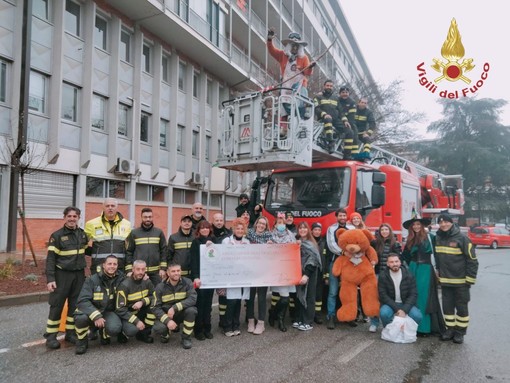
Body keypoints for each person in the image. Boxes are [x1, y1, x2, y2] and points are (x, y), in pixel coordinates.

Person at [44, 206, 88, 349]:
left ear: (78, 218)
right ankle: (51, 337)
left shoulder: (82, 235)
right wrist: (50, 278)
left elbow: (88, 250)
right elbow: (50, 259)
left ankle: (70, 333)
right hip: (62, 274)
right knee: (57, 305)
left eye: (75, 216)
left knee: (74, 306)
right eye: (69, 216)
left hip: (78, 274)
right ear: (64, 217)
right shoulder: (56, 236)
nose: (72, 219)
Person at [433, 212, 478, 344]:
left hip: (461, 282)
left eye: (446, 222)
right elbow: (438, 257)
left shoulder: (462, 238)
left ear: (451, 222)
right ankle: (449, 330)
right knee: (447, 309)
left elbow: (472, 260)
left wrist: (469, 280)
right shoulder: (438, 238)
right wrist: (438, 270)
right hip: (446, 282)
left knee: (461, 308)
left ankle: (460, 333)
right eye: (440, 222)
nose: (443, 224)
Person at [402, 215, 444, 337]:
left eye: (418, 224)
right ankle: (412, 326)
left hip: (425, 269)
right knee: (411, 295)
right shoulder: (410, 239)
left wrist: (439, 269)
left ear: (422, 225)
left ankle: (424, 328)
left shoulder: (431, 237)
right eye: (414, 225)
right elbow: (405, 256)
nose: (416, 226)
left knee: (423, 297)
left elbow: (437, 254)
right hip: (413, 268)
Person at [74, 255, 125, 355]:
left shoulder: (121, 278)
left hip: (107, 311)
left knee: (115, 328)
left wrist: (144, 277)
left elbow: (133, 281)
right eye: (109, 264)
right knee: (81, 318)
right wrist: (96, 316)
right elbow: (82, 301)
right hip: (92, 311)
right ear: (104, 265)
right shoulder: (92, 280)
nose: (112, 266)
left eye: (115, 264)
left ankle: (103, 332)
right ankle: (81, 341)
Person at [153, 263, 198, 349]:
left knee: (192, 311)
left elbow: (193, 299)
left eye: (178, 270)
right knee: (159, 328)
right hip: (167, 314)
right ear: (168, 273)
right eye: (173, 271)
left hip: (180, 312)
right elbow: (155, 307)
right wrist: (167, 321)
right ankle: (165, 333)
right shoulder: (160, 287)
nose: (176, 273)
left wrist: (175, 307)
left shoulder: (187, 282)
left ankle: (186, 337)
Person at [84, 198, 131, 274]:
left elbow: (130, 247)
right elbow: (82, 242)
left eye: (112, 206)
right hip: (99, 266)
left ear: (116, 207)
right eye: (107, 206)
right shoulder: (91, 224)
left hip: (119, 266)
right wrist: (93, 252)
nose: (110, 208)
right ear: (103, 207)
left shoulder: (127, 224)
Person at [221, 218, 251, 336]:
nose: (239, 230)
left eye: (241, 228)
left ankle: (236, 325)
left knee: (238, 301)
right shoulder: (226, 241)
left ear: (244, 230)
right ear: (233, 229)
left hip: (241, 276)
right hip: (230, 275)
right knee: (231, 301)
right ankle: (227, 327)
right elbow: (222, 256)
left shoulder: (247, 242)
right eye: (237, 228)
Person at [370, 223, 403, 332]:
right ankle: (374, 322)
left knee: (390, 297)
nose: (384, 231)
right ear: (379, 232)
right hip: (378, 273)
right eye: (382, 230)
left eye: (386, 229)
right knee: (375, 298)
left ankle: (391, 320)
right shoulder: (375, 243)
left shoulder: (395, 244)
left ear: (390, 231)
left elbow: (399, 259)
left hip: (391, 275)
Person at [268, 213, 297, 332]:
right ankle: (277, 318)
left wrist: (297, 244)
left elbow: (295, 251)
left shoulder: (291, 235)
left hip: (287, 269)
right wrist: (268, 246)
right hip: (276, 270)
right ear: (275, 225)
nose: (281, 225)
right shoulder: (270, 237)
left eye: (283, 223)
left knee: (285, 298)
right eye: (279, 223)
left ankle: (275, 315)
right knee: (282, 296)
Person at [246, 216, 275, 335]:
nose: (261, 225)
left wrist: (271, 246)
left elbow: (274, 254)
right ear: (256, 223)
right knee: (250, 297)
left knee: (262, 297)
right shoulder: (248, 235)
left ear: (266, 226)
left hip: (264, 271)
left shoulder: (270, 237)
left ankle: (261, 323)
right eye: (260, 223)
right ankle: (251, 321)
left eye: (264, 224)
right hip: (250, 270)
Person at [115, 260, 155, 344]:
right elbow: (120, 309)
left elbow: (154, 296)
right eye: (138, 269)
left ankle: (143, 334)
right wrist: (136, 321)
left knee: (153, 308)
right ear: (133, 269)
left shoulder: (147, 281)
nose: (141, 272)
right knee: (131, 330)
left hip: (141, 311)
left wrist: (142, 302)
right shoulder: (124, 285)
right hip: (128, 313)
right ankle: (122, 332)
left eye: (143, 269)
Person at [378, 253, 423, 328]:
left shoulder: (409, 275)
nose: (394, 264)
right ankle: (389, 330)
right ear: (388, 264)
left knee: (417, 316)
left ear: (400, 262)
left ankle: (407, 330)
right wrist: (398, 309)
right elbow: (383, 295)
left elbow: (413, 294)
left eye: (396, 261)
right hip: (391, 304)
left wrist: (404, 310)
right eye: (391, 262)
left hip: (406, 303)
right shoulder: (383, 276)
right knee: (384, 313)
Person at [125, 207, 167, 286]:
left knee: (156, 295)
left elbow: (164, 251)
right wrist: (129, 270)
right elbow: (129, 252)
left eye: (150, 217)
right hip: (139, 272)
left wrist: (163, 268)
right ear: (141, 218)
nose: (148, 219)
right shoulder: (134, 233)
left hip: (156, 273)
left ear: (152, 217)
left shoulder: (159, 232)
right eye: (145, 217)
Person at [190, 220, 217, 341]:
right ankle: (198, 330)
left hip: (211, 278)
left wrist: (213, 246)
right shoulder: (195, 243)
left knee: (208, 305)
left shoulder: (214, 241)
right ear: (199, 230)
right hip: (200, 278)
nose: (205, 230)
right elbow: (194, 261)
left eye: (207, 228)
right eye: (202, 228)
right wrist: (195, 276)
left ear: (210, 229)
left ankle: (207, 328)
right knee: (199, 304)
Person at [313, 80, 354, 157]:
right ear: (324, 86)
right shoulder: (318, 97)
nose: (329, 87)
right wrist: (324, 114)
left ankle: (347, 155)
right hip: (324, 119)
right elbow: (317, 108)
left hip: (335, 120)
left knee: (350, 131)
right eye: (327, 85)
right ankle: (331, 143)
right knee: (328, 119)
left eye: (331, 86)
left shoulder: (336, 98)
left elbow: (341, 111)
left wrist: (345, 120)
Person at [294, 222, 322, 331]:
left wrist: (306, 275)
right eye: (300, 228)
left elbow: (313, 260)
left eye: (304, 228)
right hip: (298, 272)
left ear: (308, 230)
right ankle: (300, 318)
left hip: (309, 273)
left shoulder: (311, 243)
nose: (302, 230)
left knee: (309, 296)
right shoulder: (297, 242)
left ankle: (308, 321)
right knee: (300, 295)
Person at [325, 208, 349, 329]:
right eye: (340, 215)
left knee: (348, 291)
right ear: (337, 217)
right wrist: (344, 252)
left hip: (350, 264)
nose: (343, 218)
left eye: (344, 215)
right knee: (333, 291)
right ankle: (331, 316)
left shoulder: (352, 229)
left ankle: (349, 316)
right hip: (335, 262)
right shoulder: (331, 229)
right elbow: (331, 245)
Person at [211, 212, 231, 328]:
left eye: (221, 220)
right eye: (216, 220)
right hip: (210, 269)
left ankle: (222, 319)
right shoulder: (207, 232)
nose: (219, 222)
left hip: (224, 269)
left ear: (224, 221)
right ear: (213, 221)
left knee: (223, 294)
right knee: (207, 297)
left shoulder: (229, 234)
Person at [168, 214, 194, 279]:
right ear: (181, 223)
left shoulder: (195, 237)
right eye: (184, 221)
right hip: (178, 275)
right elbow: (168, 256)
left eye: (189, 221)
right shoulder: (173, 237)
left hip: (192, 275)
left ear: (191, 223)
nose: (187, 223)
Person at [311, 222, 327, 325]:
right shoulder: (308, 242)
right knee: (310, 294)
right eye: (315, 230)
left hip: (320, 272)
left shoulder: (324, 243)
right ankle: (310, 314)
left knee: (318, 295)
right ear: (311, 231)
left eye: (319, 230)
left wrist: (326, 274)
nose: (317, 232)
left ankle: (317, 314)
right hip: (311, 272)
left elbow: (326, 259)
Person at [337, 85, 359, 159]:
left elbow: (352, 116)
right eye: (343, 92)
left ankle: (353, 153)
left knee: (354, 131)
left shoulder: (352, 102)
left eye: (346, 92)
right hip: (338, 120)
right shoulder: (337, 100)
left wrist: (347, 123)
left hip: (349, 121)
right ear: (340, 93)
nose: (345, 94)